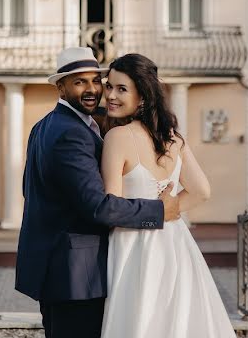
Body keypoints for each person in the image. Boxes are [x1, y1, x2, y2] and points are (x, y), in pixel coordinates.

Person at [15, 47, 181, 338]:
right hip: (76, 276)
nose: (92, 89)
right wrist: (159, 211)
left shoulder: (44, 126)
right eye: (80, 82)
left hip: (57, 270)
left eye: (96, 81)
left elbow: (29, 190)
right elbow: (99, 207)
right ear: (61, 87)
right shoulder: (71, 133)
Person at [100, 53, 235, 338]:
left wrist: (154, 216)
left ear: (143, 96)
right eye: (109, 86)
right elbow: (202, 191)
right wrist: (166, 213)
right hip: (174, 243)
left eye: (121, 89)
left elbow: (110, 210)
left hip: (132, 246)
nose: (110, 95)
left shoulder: (117, 138)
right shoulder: (172, 138)